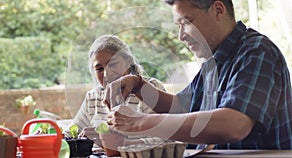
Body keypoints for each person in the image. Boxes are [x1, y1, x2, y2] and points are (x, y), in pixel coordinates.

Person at [104, 0, 292, 149]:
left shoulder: (257, 52)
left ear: (218, 10)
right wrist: (138, 86)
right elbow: (180, 107)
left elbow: (234, 124)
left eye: (186, 22)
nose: (180, 36)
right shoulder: (213, 61)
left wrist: (142, 122)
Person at [70, 34, 166, 147]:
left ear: (129, 62)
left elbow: (168, 139)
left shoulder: (150, 88)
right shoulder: (93, 97)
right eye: (99, 69)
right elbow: (72, 132)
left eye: (113, 64)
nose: (106, 74)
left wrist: (117, 145)